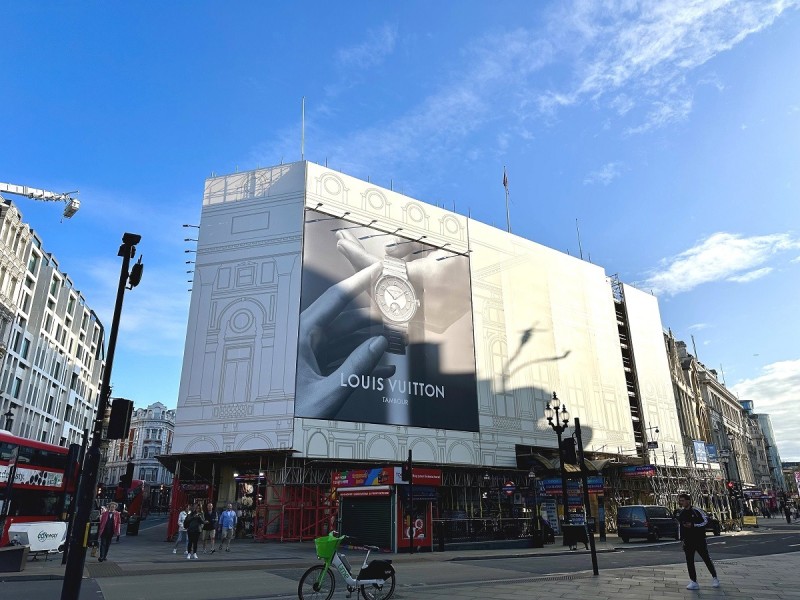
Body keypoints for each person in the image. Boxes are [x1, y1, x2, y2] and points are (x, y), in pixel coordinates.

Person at [677, 493, 719, 590]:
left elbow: (705, 521)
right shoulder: (682, 513)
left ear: (688, 501)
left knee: (706, 558)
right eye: (680, 501)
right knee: (689, 561)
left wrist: (693, 525)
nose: (681, 502)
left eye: (683, 500)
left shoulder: (696, 510)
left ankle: (714, 577)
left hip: (699, 539)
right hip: (688, 541)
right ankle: (693, 581)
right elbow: (680, 526)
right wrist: (681, 539)